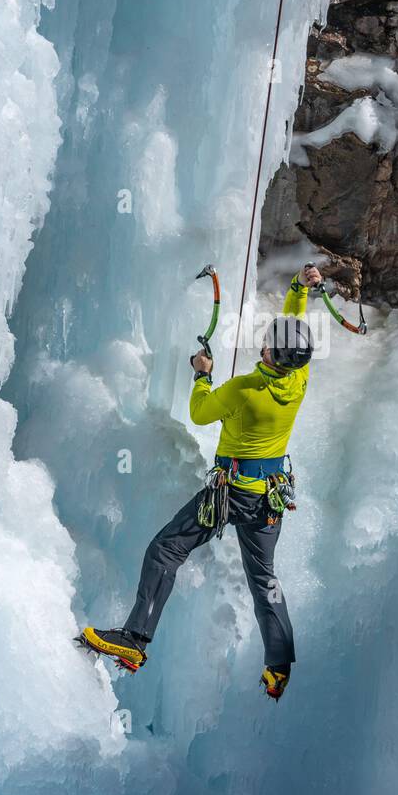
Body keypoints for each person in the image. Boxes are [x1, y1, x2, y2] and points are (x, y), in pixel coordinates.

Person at [80, 263, 322, 699]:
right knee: (264, 580)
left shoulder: (245, 390)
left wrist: (202, 373)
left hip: (231, 496)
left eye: (268, 341)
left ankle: (135, 640)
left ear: (270, 355)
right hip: (269, 501)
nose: (264, 341)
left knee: (166, 548)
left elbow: (200, 412)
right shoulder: (299, 380)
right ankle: (278, 667)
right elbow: (296, 327)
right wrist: (299, 289)